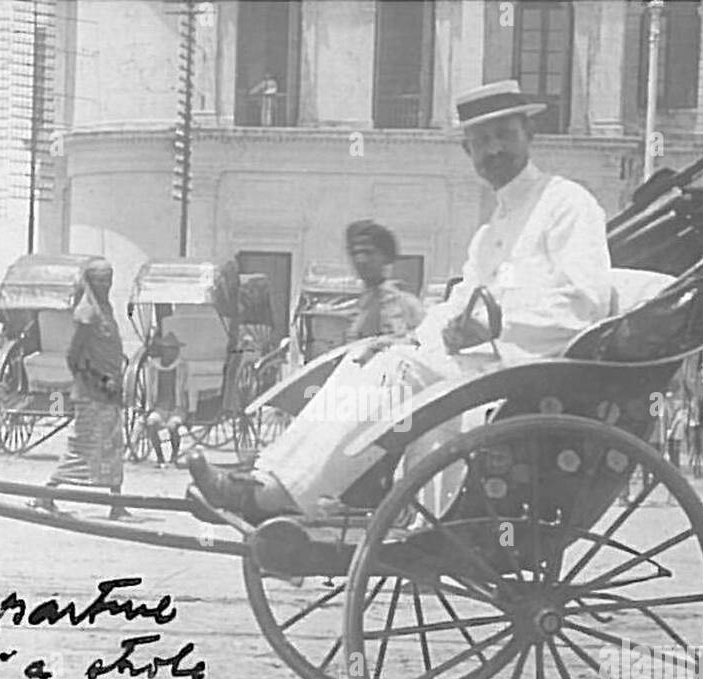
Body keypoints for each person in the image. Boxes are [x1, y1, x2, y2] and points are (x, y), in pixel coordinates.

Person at [189, 79, 613, 521]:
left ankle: (276, 493)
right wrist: (411, 339)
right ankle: (273, 477)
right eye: (480, 141)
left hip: (532, 372)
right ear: (468, 153)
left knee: (398, 371)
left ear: (530, 134)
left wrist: (497, 324)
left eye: (505, 134)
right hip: (481, 368)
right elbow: (455, 307)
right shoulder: (490, 233)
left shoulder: (566, 204)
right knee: (366, 358)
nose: (494, 150)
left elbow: (586, 303)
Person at [30, 258, 130, 519]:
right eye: (99, 279)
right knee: (83, 447)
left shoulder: (105, 308)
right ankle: (46, 494)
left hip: (110, 391)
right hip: (92, 391)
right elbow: (74, 356)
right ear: (89, 281)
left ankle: (117, 504)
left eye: (109, 279)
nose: (105, 285)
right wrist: (94, 380)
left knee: (113, 446)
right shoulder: (87, 312)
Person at [343, 220, 423, 343]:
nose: (361, 260)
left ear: (386, 256)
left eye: (368, 252)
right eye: (355, 253)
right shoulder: (352, 307)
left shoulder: (408, 306)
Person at [143, 331, 189, 468]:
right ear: (163, 350)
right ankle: (160, 458)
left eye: (175, 350)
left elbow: (187, 388)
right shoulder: (153, 367)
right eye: (169, 349)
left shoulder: (181, 366)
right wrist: (148, 406)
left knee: (172, 426)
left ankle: (174, 457)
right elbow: (149, 387)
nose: (173, 353)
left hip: (177, 408)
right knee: (151, 424)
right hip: (160, 408)